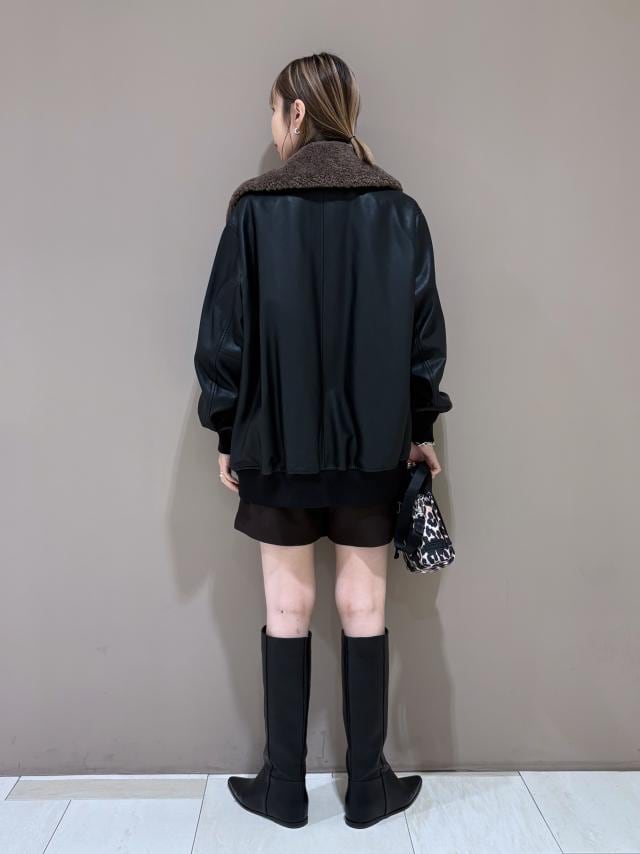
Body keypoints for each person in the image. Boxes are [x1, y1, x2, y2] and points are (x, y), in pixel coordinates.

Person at [193, 52, 452, 830]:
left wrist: (226, 427)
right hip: (374, 447)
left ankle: (283, 788)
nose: (272, 126)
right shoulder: (399, 212)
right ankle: (368, 787)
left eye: (275, 111)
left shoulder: (253, 213)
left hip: (275, 443)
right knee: (364, 602)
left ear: (298, 113)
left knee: (286, 603)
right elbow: (423, 337)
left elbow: (224, 335)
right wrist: (419, 427)